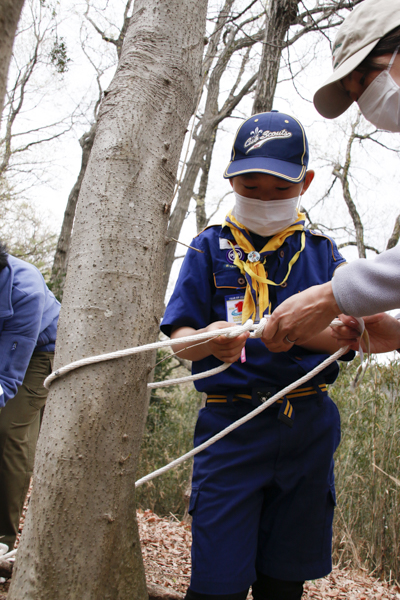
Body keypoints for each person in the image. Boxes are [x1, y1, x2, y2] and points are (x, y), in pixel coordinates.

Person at [161, 111, 354, 600]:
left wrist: (299, 332)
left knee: (283, 581)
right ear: (231, 179)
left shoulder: (325, 255)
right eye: (251, 186)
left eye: (279, 189)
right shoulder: (209, 248)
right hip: (231, 430)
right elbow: (179, 336)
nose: (264, 199)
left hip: (307, 428)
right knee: (216, 584)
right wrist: (210, 338)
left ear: (305, 182)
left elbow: (348, 338)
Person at [261, 0, 400, 354]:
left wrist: (332, 296)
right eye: (357, 98)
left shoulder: (321, 250)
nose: (369, 109)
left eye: (365, 83)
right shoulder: (211, 245)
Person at [0, 242, 60, 551]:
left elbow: (7, 377)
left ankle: (3, 541)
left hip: (41, 352)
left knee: (9, 429)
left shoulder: (26, 292)